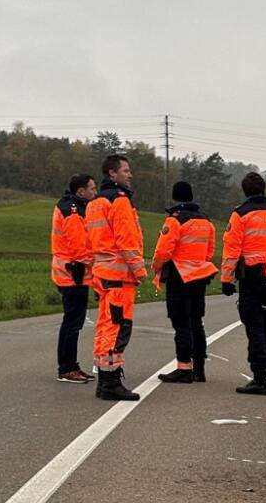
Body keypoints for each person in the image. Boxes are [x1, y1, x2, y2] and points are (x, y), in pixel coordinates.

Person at [221, 172, 266, 395]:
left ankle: (259, 376)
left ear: (244, 191)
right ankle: (265, 371)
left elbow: (232, 251)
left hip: (252, 275)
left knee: (254, 324)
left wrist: (226, 279)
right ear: (264, 189)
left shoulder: (240, 214)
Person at [85, 154, 146, 401]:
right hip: (120, 275)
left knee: (105, 326)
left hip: (102, 273)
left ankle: (104, 379)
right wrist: (140, 271)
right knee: (118, 328)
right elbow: (127, 240)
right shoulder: (119, 201)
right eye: (126, 170)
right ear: (113, 173)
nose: (130, 175)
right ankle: (111, 383)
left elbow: (91, 242)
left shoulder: (94, 203)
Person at [152, 181, 218, 384]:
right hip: (199, 277)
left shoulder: (174, 220)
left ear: (174, 197)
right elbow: (210, 249)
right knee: (196, 322)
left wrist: (156, 267)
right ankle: (199, 369)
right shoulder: (206, 221)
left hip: (179, 277)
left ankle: (183, 368)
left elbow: (164, 251)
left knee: (181, 323)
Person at [51, 174, 98, 384]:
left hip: (72, 273)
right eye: (92, 189)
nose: (94, 193)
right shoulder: (72, 211)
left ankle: (70, 365)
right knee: (72, 323)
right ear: (81, 191)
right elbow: (79, 248)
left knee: (73, 322)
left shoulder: (73, 206)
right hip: (72, 274)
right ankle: (66, 368)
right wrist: (97, 265)